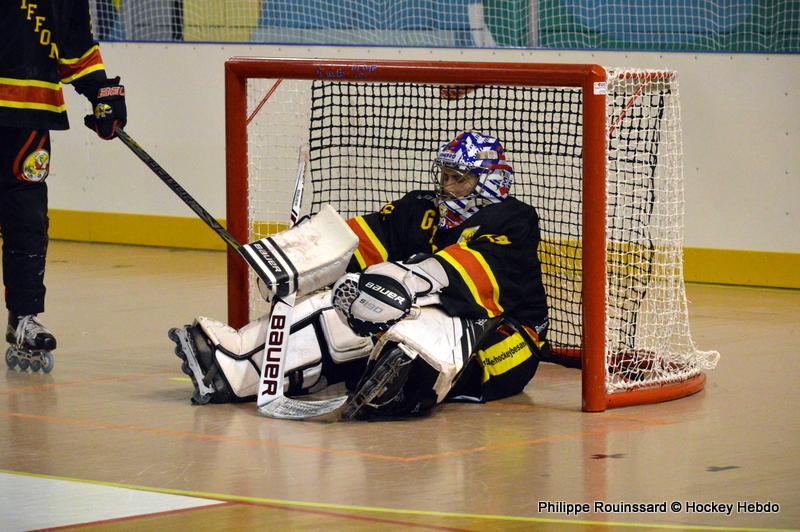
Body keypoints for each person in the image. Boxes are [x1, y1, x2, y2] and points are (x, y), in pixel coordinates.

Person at [170, 131, 549, 420]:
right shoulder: (420, 208)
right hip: (425, 322)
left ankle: (404, 388)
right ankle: (233, 366)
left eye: (459, 180)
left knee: (417, 312)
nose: (447, 188)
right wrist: (301, 258)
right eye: (445, 177)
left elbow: (468, 274)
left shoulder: (514, 221)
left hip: (505, 346)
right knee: (338, 305)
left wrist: (400, 280)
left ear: (489, 183)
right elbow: (360, 242)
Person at [1, 1, 128, 372]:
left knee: (28, 223)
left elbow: (75, 47)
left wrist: (102, 92)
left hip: (31, 117)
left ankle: (23, 318)